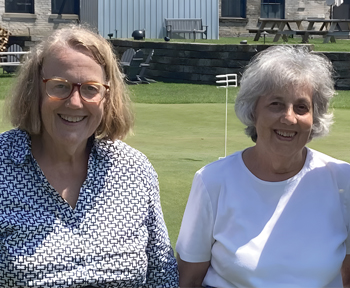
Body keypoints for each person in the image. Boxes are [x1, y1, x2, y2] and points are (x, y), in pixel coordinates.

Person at [0, 26, 179, 288]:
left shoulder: (134, 170)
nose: (74, 102)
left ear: (108, 96)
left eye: (91, 89)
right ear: (34, 90)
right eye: (60, 86)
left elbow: (162, 278)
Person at [176, 45, 350, 288]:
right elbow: (189, 280)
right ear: (253, 111)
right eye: (276, 104)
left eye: (301, 107)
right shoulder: (212, 181)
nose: (289, 118)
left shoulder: (343, 180)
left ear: (315, 117)